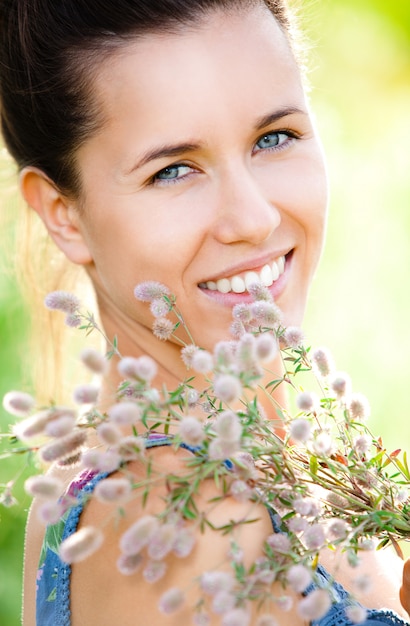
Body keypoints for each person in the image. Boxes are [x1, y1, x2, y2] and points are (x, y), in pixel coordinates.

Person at [0, 1, 409, 624]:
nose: (255, 219)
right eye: (173, 171)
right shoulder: (198, 521)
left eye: (274, 138)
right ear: (63, 213)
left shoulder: (99, 488)